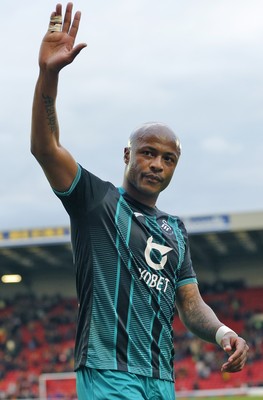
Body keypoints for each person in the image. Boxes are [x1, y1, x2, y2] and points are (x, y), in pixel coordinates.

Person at [31, 3, 249, 399]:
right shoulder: (95, 201)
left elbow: (190, 302)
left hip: (160, 378)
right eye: (147, 152)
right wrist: (49, 74)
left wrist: (223, 332)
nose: (157, 165)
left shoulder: (175, 230)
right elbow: (46, 149)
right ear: (127, 155)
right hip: (108, 372)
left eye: (169, 159)